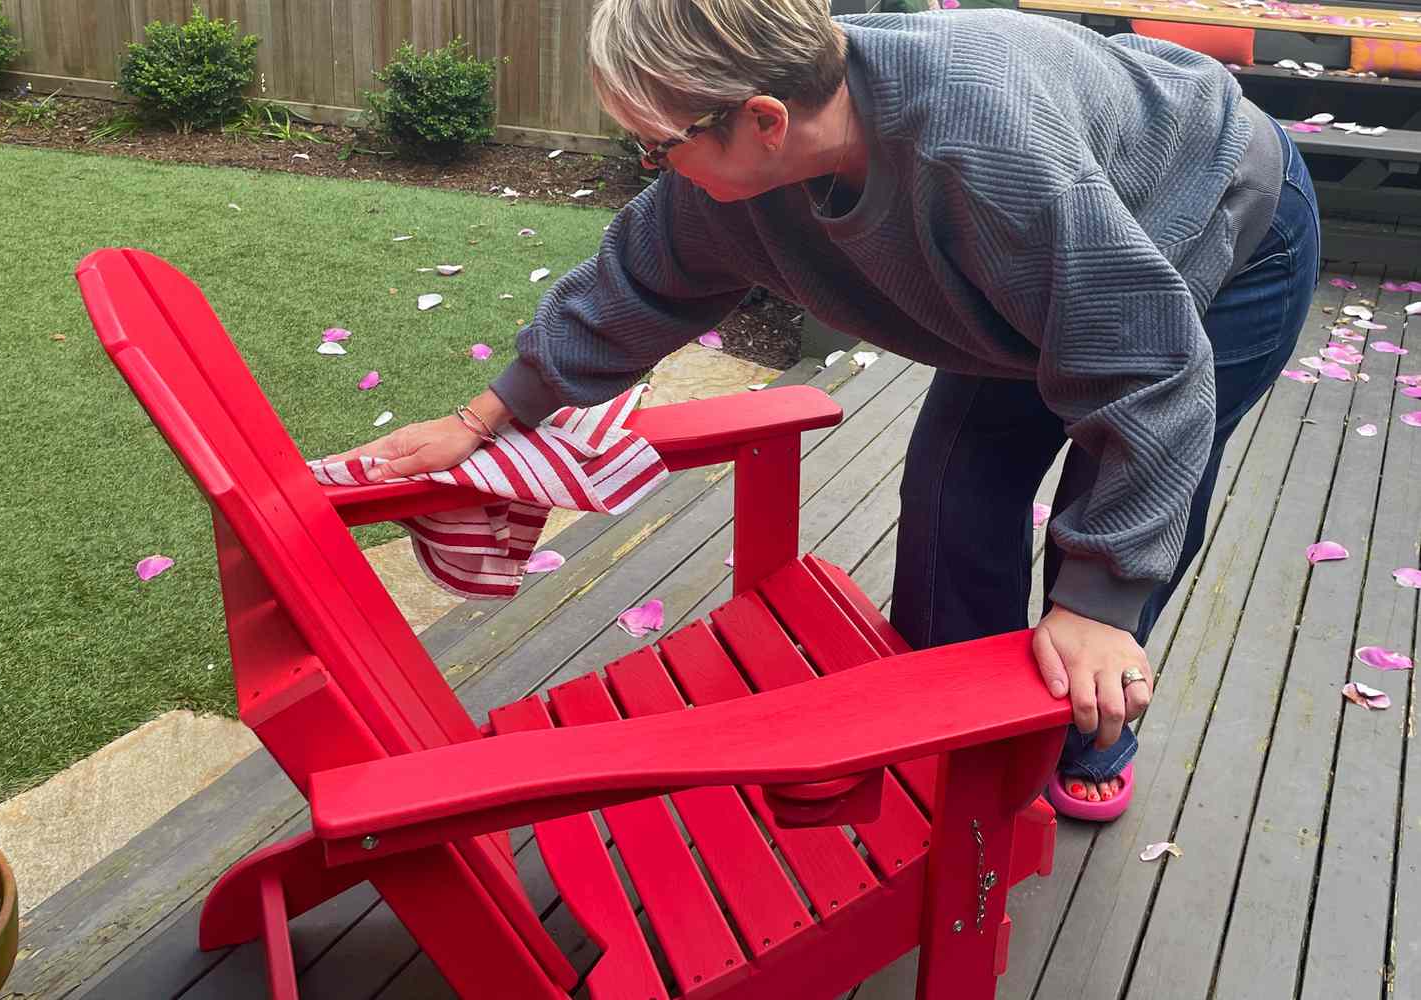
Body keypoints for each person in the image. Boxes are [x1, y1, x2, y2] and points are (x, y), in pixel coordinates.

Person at [331, 0, 1319, 820]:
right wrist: (485, 415)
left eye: (655, 145)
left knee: (1115, 510)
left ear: (764, 121)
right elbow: (633, 285)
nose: (651, 165)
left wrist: (1097, 603)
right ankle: (954, 737)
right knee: (953, 491)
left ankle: (1086, 724)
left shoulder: (990, 160)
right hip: (1024, 277)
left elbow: (1149, 375)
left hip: (1215, 225)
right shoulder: (733, 180)